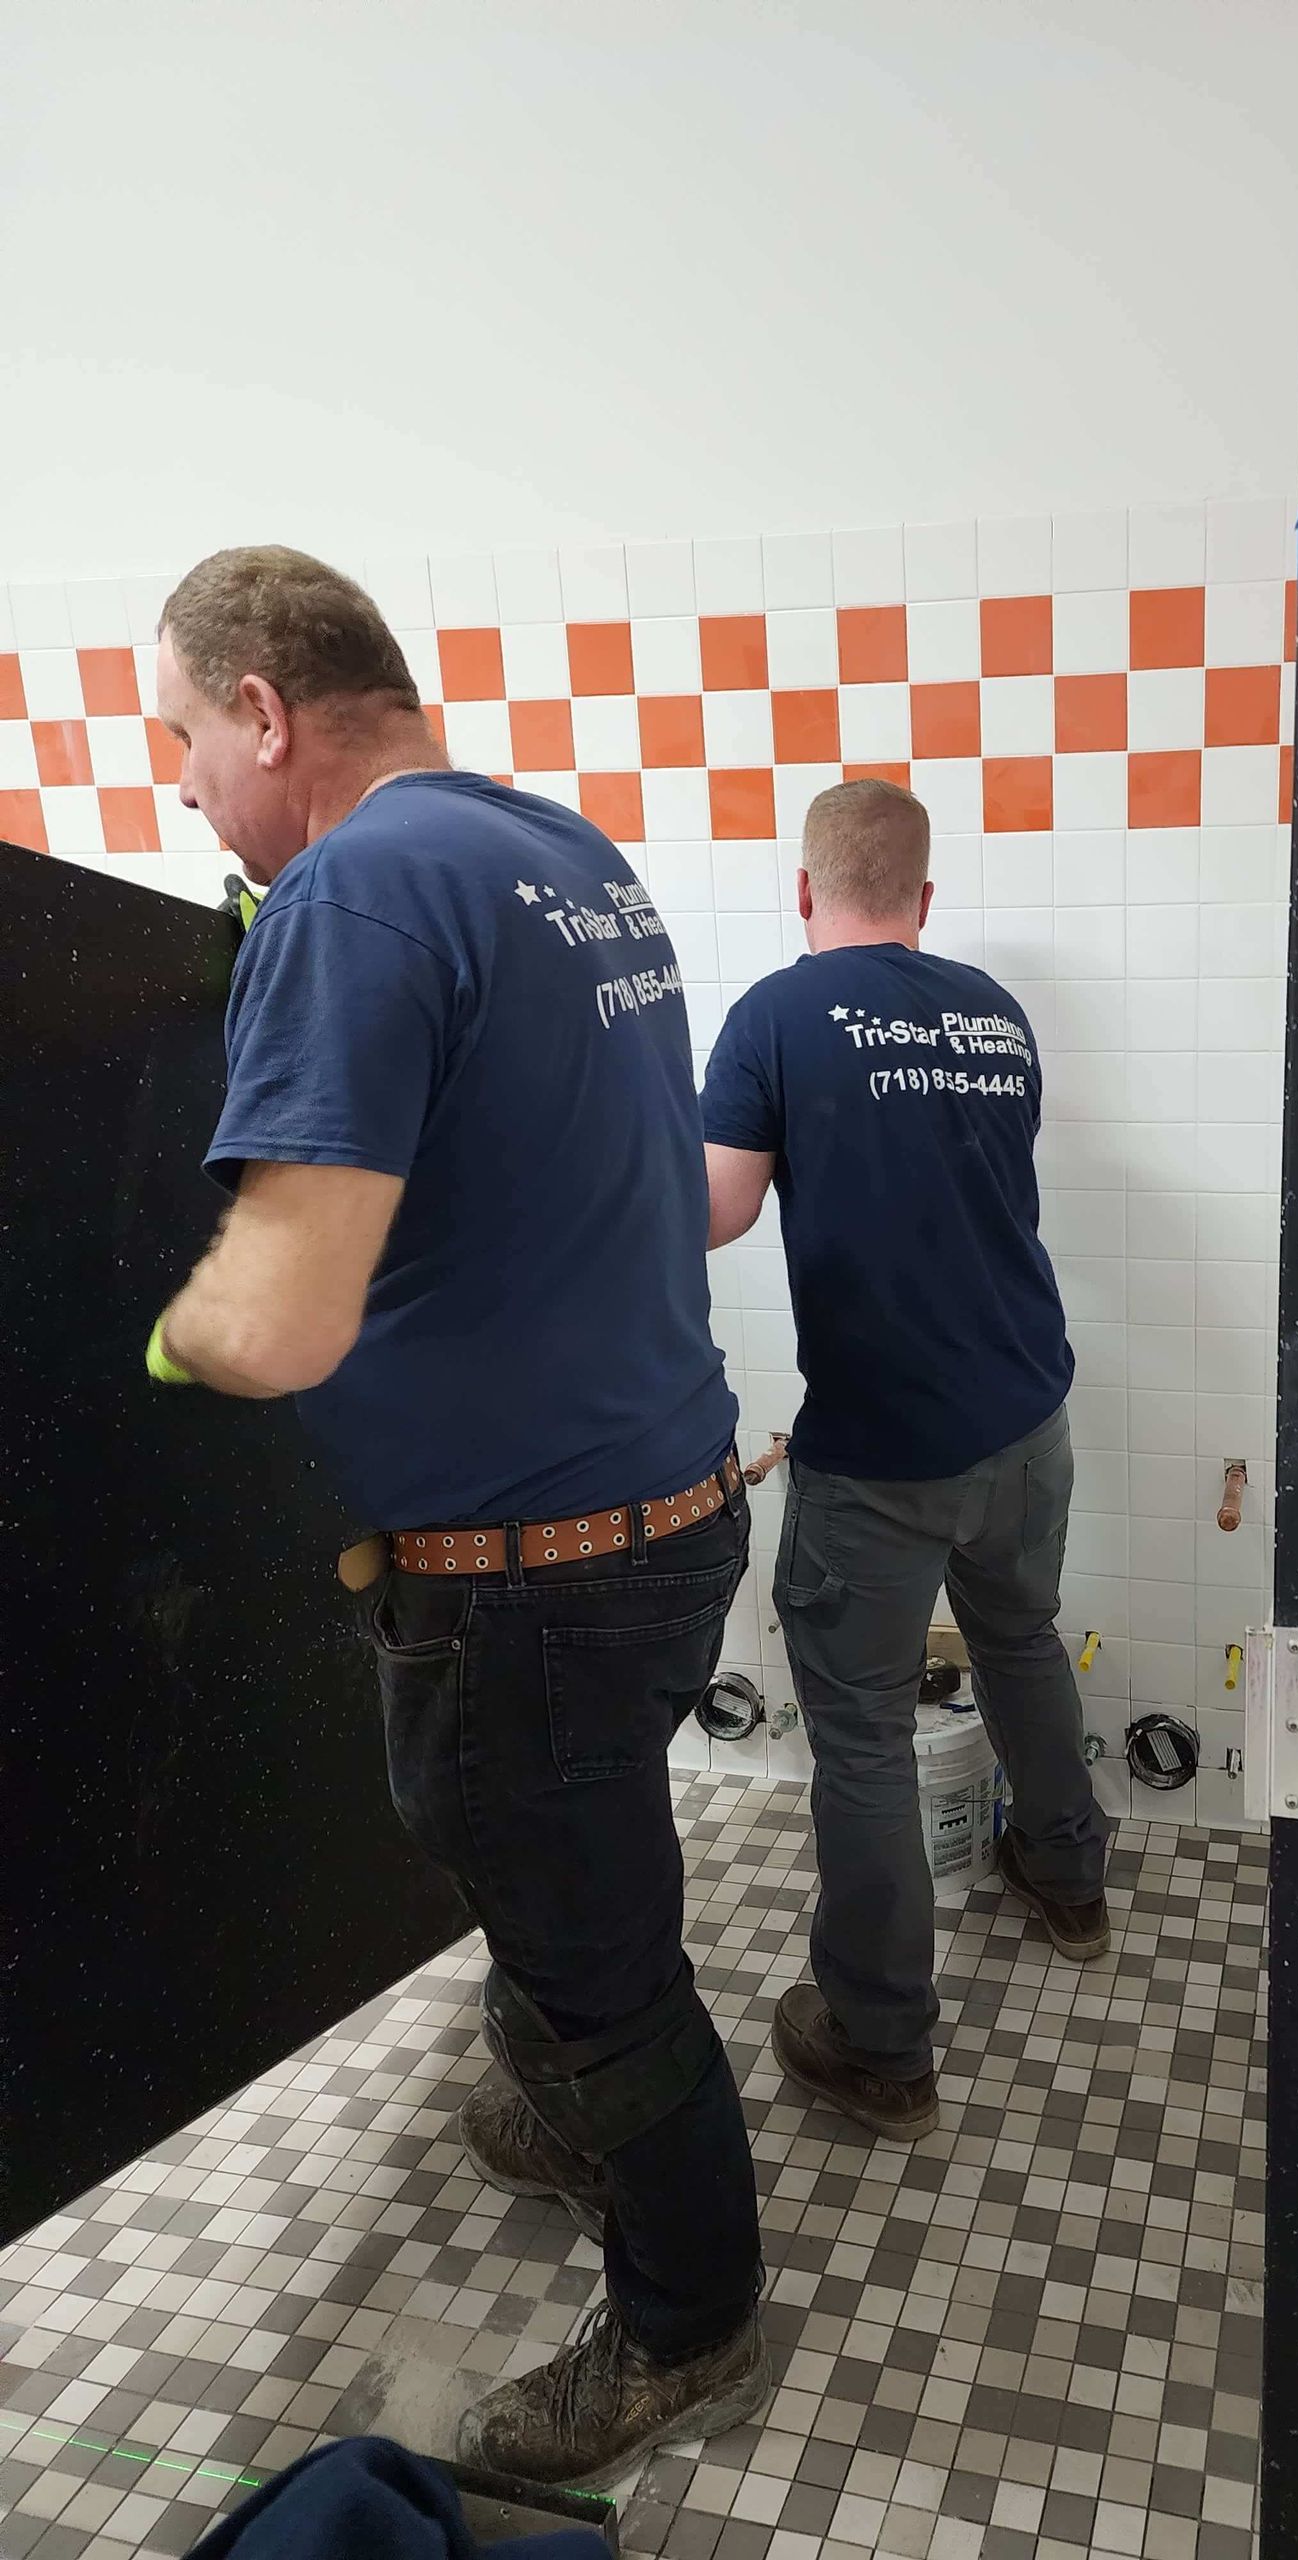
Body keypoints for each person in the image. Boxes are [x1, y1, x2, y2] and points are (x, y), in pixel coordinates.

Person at [146, 547, 767, 2486]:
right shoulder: (560, 853)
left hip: (539, 1575)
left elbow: (282, 1314)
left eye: (179, 736)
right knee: (548, 1857)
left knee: (596, 1943)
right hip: (663, 1513)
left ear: (264, 707)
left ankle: (688, 2310)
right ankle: (573, 2094)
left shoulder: (351, 893)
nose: (176, 784)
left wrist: (162, 1331)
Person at [701, 779, 1113, 2140]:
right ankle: (1067, 1879)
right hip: (1028, 1415)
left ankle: (881, 2042)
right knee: (1020, 1636)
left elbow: (716, 1209)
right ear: (925, 899)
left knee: (863, 1733)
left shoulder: (774, 1012)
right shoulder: (994, 1012)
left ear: (804, 891)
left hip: (883, 1450)